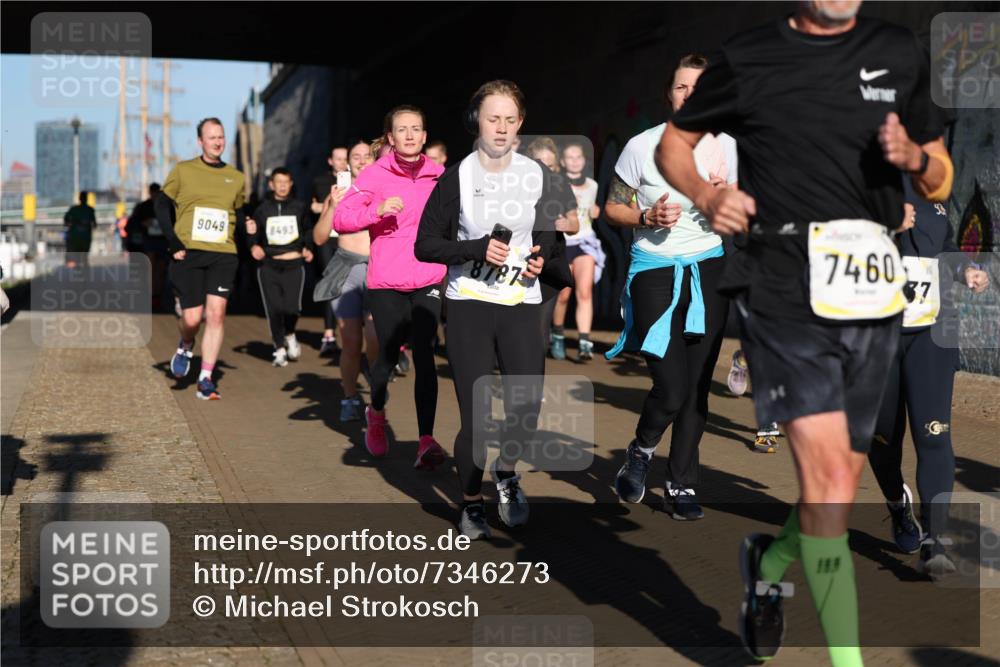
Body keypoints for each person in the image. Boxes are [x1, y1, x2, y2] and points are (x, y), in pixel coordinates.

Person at [657, 1, 952, 663]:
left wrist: (917, 160)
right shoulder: (750, 54)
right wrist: (707, 198)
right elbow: (674, 145)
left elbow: (941, 173)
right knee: (826, 482)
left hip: (872, 290)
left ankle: (769, 565)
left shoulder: (899, 51)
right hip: (782, 284)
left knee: (834, 492)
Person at [415, 80, 566, 539]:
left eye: (509, 119)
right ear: (476, 121)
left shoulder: (538, 175)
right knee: (477, 419)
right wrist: (476, 248)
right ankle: (471, 501)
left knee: (526, 408)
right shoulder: (456, 177)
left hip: (521, 302)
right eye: (491, 118)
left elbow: (551, 234)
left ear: (520, 123)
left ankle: (506, 471)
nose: (500, 128)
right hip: (470, 305)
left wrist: (541, 254)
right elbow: (425, 245)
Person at [605, 53, 735, 522]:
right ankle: (641, 449)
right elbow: (611, 209)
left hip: (709, 269)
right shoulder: (642, 146)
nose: (690, 96)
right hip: (655, 270)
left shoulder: (728, 148)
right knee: (671, 385)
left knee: (698, 385)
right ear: (670, 94)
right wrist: (645, 216)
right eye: (682, 88)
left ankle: (680, 483)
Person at [867, 183, 989, 574]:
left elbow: (944, 248)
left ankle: (936, 540)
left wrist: (965, 268)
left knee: (934, 435)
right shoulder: (855, 179)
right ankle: (898, 507)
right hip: (875, 336)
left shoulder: (931, 190)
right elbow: (827, 246)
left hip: (931, 335)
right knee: (883, 439)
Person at [334, 105, 448, 468]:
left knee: (426, 354)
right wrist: (377, 210)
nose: (410, 135)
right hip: (387, 279)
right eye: (402, 129)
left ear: (425, 136)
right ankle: (377, 413)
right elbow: (341, 217)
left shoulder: (440, 175)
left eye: (416, 128)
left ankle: (426, 440)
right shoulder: (373, 174)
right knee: (386, 353)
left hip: (429, 275)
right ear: (391, 138)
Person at [157, 117, 248, 400]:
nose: (217, 142)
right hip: (189, 252)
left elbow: (240, 212)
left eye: (221, 137)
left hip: (223, 253)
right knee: (193, 319)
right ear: (200, 141)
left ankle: (206, 377)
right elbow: (161, 203)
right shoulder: (183, 170)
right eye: (211, 137)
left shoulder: (237, 177)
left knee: (216, 314)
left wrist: (250, 229)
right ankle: (186, 343)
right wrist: (172, 241)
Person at [313, 140, 379, 422]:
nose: (362, 160)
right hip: (348, 268)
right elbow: (318, 237)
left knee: (376, 338)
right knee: (351, 342)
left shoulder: (383, 189)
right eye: (356, 156)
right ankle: (350, 397)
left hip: (379, 268)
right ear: (346, 162)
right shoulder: (338, 192)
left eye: (367, 156)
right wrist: (332, 206)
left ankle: (377, 395)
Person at [248, 167, 314, 367]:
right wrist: (253, 245)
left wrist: (308, 248)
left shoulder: (299, 207)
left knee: (292, 308)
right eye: (279, 182)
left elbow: (309, 230)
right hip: (269, 265)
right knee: (274, 308)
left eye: (286, 182)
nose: (282, 186)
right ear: (271, 185)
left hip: (294, 263)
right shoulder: (262, 209)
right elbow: (253, 231)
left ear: (291, 183)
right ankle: (278, 348)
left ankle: (290, 333)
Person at [552, 141, 606, 361]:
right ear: (563, 162)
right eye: (570, 157)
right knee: (563, 295)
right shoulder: (556, 184)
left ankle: (585, 342)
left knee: (584, 292)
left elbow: (592, 211)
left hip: (585, 243)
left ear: (584, 161)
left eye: (579, 157)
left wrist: (596, 212)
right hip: (563, 243)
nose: (575, 161)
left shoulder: (593, 185)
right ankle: (557, 336)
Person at [312, 147, 350, 356]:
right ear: (330, 161)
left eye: (346, 158)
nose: (342, 162)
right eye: (338, 159)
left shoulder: (358, 181)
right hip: (328, 238)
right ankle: (328, 334)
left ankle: (349, 331)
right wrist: (320, 208)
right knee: (331, 281)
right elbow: (314, 208)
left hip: (349, 238)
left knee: (349, 283)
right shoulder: (320, 182)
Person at [63, 191, 96, 267]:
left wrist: (70, 224)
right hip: (86, 235)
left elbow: (66, 219)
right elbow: (94, 223)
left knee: (77, 252)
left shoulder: (74, 209)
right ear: (86, 199)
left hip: (75, 235)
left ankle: (78, 266)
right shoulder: (90, 210)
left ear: (79, 199)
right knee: (85, 252)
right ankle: (84, 263)